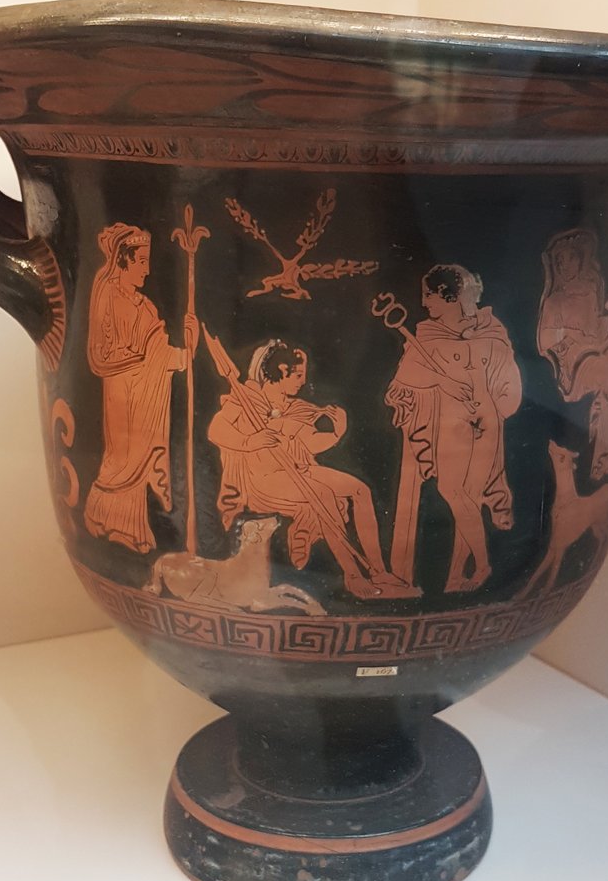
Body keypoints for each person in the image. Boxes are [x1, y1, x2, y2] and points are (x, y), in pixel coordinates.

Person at [208, 340, 416, 600]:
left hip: (298, 471)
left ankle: (378, 571)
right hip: (263, 479)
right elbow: (216, 429)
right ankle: (352, 576)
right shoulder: (246, 400)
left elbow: (312, 443)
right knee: (324, 497)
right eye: (297, 375)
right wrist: (251, 442)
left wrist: (338, 433)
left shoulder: (292, 406)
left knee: (360, 490)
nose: (302, 382)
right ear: (282, 370)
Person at [385, 265, 523, 593]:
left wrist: (493, 409)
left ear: (449, 296)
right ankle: (457, 577)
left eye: (429, 294)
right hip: (451, 420)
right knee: (462, 497)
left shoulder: (490, 332)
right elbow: (403, 381)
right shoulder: (428, 337)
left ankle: (481, 565)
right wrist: (441, 381)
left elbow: (510, 381)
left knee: (459, 494)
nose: (424, 302)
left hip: (482, 419)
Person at [83, 222, 198, 553]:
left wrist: (189, 350)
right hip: (124, 391)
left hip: (147, 390)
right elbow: (101, 354)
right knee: (122, 457)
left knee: (141, 457)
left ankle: (130, 529)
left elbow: (160, 353)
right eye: (142, 262)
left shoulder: (145, 306)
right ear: (123, 260)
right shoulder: (107, 295)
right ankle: (99, 515)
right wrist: (146, 354)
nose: (147, 270)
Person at [536, 229, 608, 481]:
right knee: (604, 365)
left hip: (593, 354)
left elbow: (599, 330)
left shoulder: (590, 292)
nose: (563, 265)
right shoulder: (555, 300)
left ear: (580, 260)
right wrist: (574, 339)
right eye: (559, 262)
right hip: (573, 368)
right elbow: (546, 341)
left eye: (568, 259)